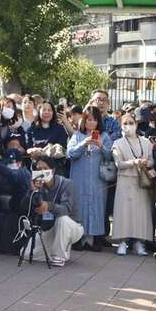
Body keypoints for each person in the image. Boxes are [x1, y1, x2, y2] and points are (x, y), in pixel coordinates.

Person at [18, 156, 84, 266]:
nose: (41, 172)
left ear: (52, 170)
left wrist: (48, 206)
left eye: (45, 168)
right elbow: (24, 206)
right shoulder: (37, 185)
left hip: (72, 226)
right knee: (25, 253)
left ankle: (59, 255)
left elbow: (66, 210)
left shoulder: (67, 184)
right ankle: (58, 249)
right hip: (50, 228)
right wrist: (32, 192)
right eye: (38, 169)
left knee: (62, 219)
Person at [67, 106, 112, 252]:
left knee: (97, 206)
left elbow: (110, 157)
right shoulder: (77, 135)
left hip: (97, 180)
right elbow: (70, 154)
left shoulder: (104, 136)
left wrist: (101, 146)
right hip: (79, 179)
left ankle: (94, 238)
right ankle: (79, 238)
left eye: (94, 120)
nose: (91, 123)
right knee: (79, 206)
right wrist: (84, 143)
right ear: (84, 121)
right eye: (89, 120)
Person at [111, 112, 154, 256]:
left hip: (142, 182)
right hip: (125, 180)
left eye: (131, 122)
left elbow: (152, 161)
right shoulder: (117, 143)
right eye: (125, 123)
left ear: (136, 124)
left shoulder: (146, 142)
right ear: (121, 126)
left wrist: (146, 162)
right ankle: (122, 242)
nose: (128, 126)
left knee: (141, 214)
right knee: (124, 212)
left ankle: (138, 243)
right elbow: (119, 164)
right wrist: (134, 162)